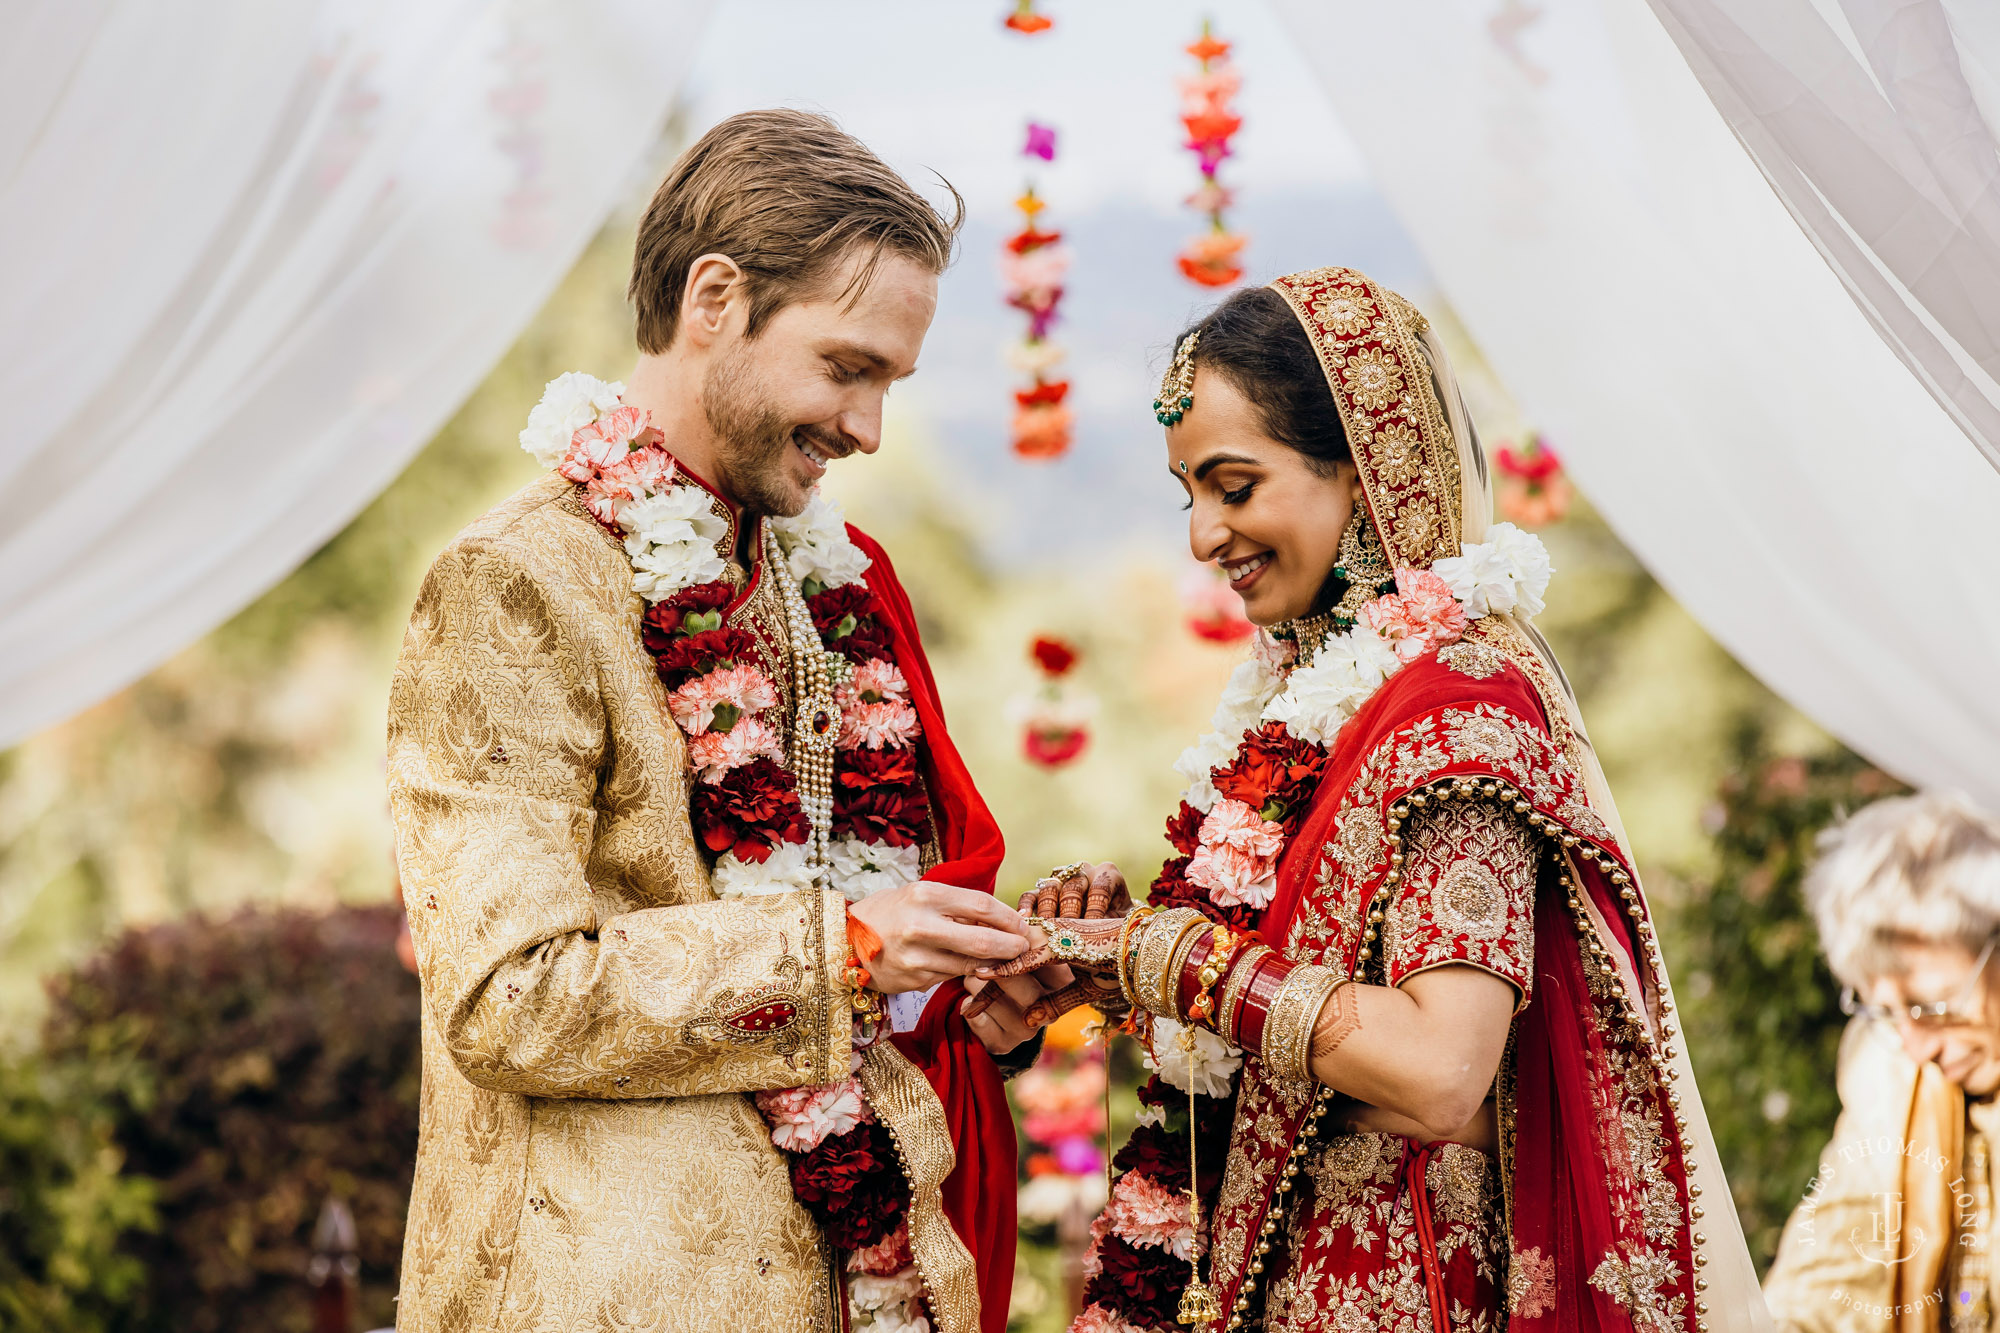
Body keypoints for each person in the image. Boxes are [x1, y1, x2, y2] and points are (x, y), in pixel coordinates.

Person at [983, 267, 1771, 1332]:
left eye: (1233, 485)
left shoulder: (1458, 714)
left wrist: (1175, 959)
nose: (1204, 537)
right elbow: (1277, 1006)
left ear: (1360, 472)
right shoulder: (1311, 705)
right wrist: (1111, 963)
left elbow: (1440, 1068)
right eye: (1189, 496)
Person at [386, 110, 1061, 1333]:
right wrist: (845, 953)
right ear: (714, 297)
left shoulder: (830, 583)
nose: (866, 428)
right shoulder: (515, 583)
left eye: (888, 384)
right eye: (846, 366)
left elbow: (849, 933)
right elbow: (505, 998)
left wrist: (951, 1005)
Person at [1764, 791, 2000, 1332]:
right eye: (1887, 1012)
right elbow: (1837, 1257)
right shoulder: (1890, 1065)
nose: (1918, 1045)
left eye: (1934, 1007)